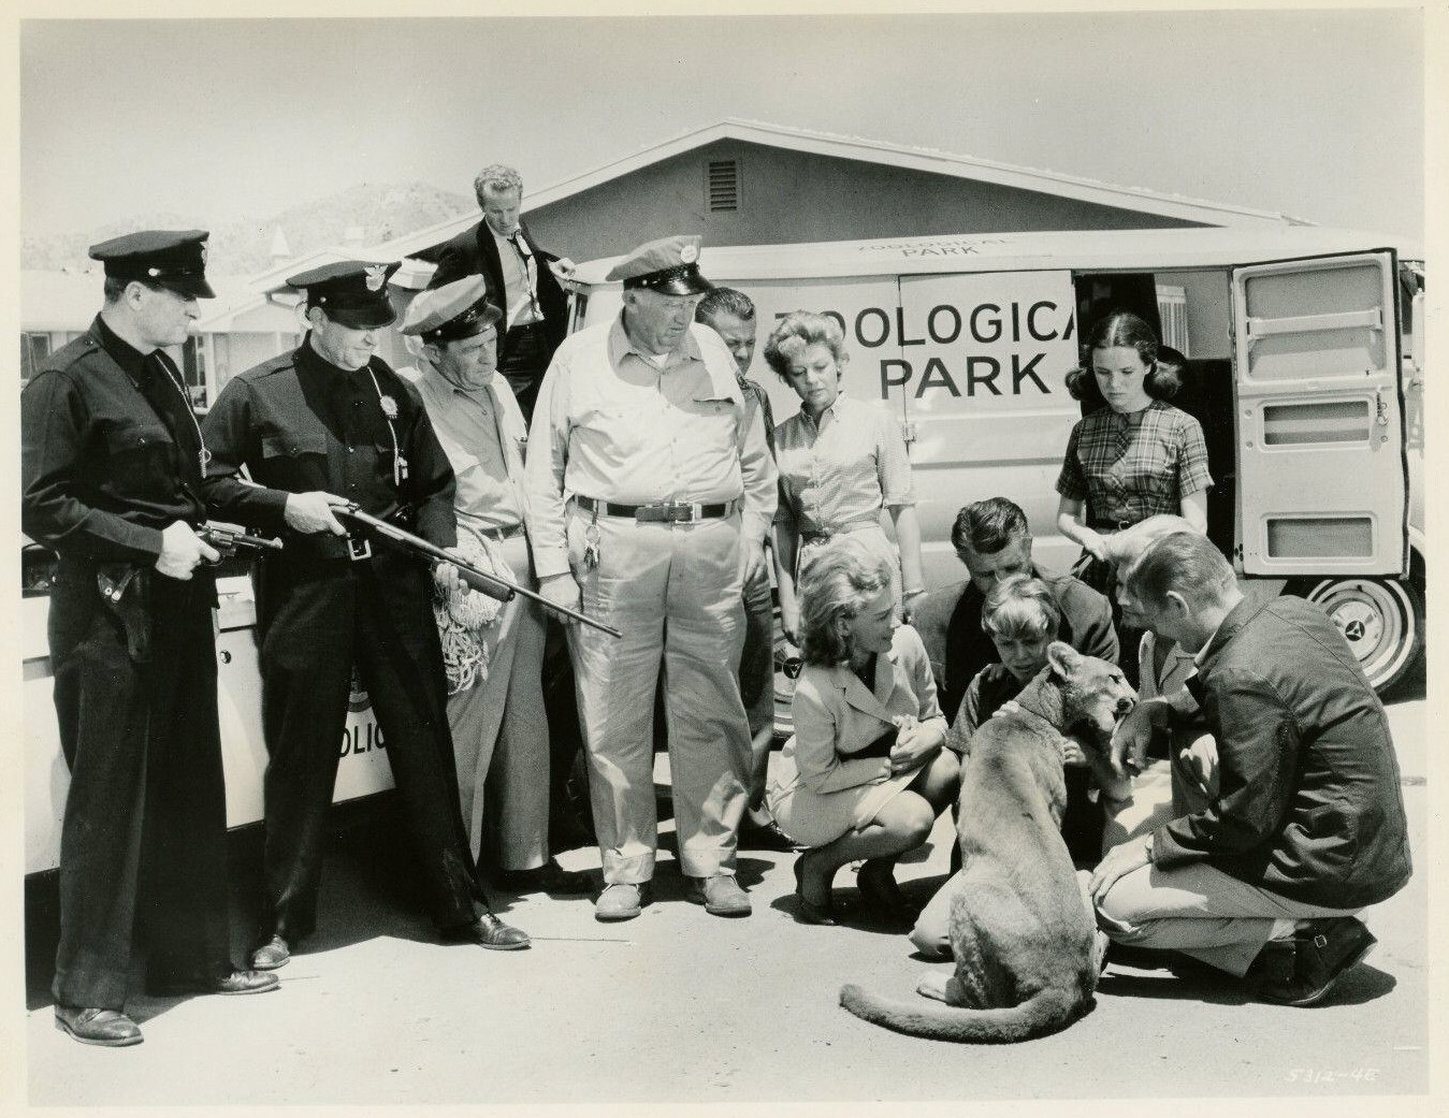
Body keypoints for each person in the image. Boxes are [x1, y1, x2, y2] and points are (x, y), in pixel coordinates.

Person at [202, 260, 530, 968]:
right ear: (314, 318)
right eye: (354, 328)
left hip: (394, 589)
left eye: (375, 329)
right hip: (305, 592)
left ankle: (460, 905)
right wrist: (285, 505)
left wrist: (441, 553)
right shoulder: (256, 391)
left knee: (424, 749)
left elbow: (435, 484)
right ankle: (284, 923)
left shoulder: (392, 392)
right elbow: (208, 482)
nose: (366, 342)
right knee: (301, 759)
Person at [22, 231, 278, 1047]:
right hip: (106, 614)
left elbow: (182, 484)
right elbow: (43, 507)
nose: (196, 310)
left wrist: (223, 523)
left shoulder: (161, 371)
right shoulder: (65, 378)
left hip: (174, 601)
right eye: (183, 295)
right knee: (109, 801)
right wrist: (149, 544)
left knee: (187, 780)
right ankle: (86, 991)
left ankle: (190, 958)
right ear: (137, 294)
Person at [525, 234, 778, 921]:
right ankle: (627, 867)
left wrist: (751, 532)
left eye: (691, 300)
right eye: (670, 302)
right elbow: (542, 471)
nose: (683, 314)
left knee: (711, 708)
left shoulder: (714, 350)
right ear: (631, 297)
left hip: (709, 549)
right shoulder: (577, 359)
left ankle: (710, 861)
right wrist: (553, 568)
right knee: (612, 713)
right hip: (614, 548)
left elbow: (753, 457)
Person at [1091, 532, 1412, 1006]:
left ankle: (1305, 934)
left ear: (1177, 605)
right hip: (1369, 847)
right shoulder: (1293, 611)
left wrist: (1149, 847)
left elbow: (1243, 819)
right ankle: (1295, 924)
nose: (1157, 632)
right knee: (1189, 760)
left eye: (1154, 618)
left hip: (1326, 867)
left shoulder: (1240, 678)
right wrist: (1156, 709)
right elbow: (1224, 672)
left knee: (1114, 907)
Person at [400, 276, 593, 897]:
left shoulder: (501, 386)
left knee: (524, 713)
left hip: (525, 556)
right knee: (470, 716)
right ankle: (457, 866)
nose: (489, 357)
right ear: (433, 350)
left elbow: (525, 467)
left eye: (492, 342)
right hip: (475, 566)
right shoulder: (413, 397)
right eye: (472, 348)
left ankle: (526, 855)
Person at [908, 575, 1128, 956]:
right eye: (1006, 643)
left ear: (1052, 638)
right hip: (1000, 854)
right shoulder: (987, 688)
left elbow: (1120, 789)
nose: (1020, 655)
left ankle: (1078, 933)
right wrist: (1002, 738)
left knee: (1067, 930)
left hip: (1068, 853)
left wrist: (1087, 754)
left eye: (1031, 642)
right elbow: (966, 780)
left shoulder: (1083, 689)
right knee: (930, 936)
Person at [767, 536, 958, 927]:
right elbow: (821, 776)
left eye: (894, 608)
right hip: (812, 793)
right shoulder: (814, 687)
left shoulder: (904, 642)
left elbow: (936, 717)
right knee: (913, 820)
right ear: (843, 624)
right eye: (880, 616)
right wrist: (891, 763)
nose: (895, 622)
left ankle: (876, 871)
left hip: (875, 774)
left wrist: (928, 737)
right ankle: (819, 863)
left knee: (948, 768)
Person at [1055, 312, 1212, 682]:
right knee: (1098, 676)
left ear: (1147, 366)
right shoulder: (1084, 431)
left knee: (1163, 673)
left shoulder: (1181, 426)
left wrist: (1138, 544)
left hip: (1160, 569)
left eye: (1125, 372)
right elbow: (1065, 516)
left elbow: (1197, 524)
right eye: (1102, 372)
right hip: (1099, 569)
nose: (1113, 384)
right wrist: (1095, 541)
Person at [694, 286, 795, 853]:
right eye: (730, 344)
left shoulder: (755, 395)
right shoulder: (682, 389)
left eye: (749, 344)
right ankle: (707, 820)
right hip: (697, 557)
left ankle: (750, 809)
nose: (741, 356)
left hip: (749, 555)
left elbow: (767, 482)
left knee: (756, 690)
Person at [766, 311, 924, 644]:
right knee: (827, 673)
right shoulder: (780, 438)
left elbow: (902, 506)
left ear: (839, 363)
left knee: (881, 664)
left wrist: (913, 590)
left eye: (820, 367)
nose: (812, 379)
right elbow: (783, 524)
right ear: (787, 378)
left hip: (869, 563)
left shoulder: (876, 421)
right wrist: (788, 600)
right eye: (799, 372)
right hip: (815, 573)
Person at [913, 497, 1118, 724]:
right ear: (965, 563)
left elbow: (1107, 705)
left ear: (1028, 547)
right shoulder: (933, 617)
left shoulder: (1086, 610)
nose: (1002, 583)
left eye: (1012, 567)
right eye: (986, 574)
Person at [428, 164, 574, 424]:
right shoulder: (464, 247)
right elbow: (432, 301)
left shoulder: (520, 227)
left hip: (543, 338)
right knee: (514, 422)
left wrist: (551, 265)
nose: (506, 219)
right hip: (507, 347)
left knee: (551, 413)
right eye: (496, 211)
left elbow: (527, 259)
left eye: (512, 209)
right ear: (482, 206)